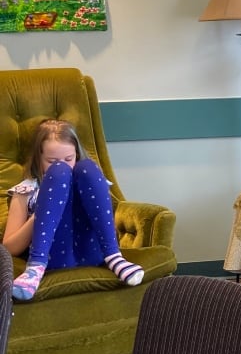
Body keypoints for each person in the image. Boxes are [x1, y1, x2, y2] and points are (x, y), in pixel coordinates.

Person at [3, 119, 144, 301]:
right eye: (51, 161)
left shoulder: (88, 180)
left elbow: (105, 221)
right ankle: (35, 266)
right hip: (54, 257)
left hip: (95, 253)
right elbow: (8, 248)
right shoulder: (26, 191)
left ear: (76, 154)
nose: (62, 164)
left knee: (88, 168)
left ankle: (114, 256)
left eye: (69, 159)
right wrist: (43, 214)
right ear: (38, 158)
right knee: (59, 174)